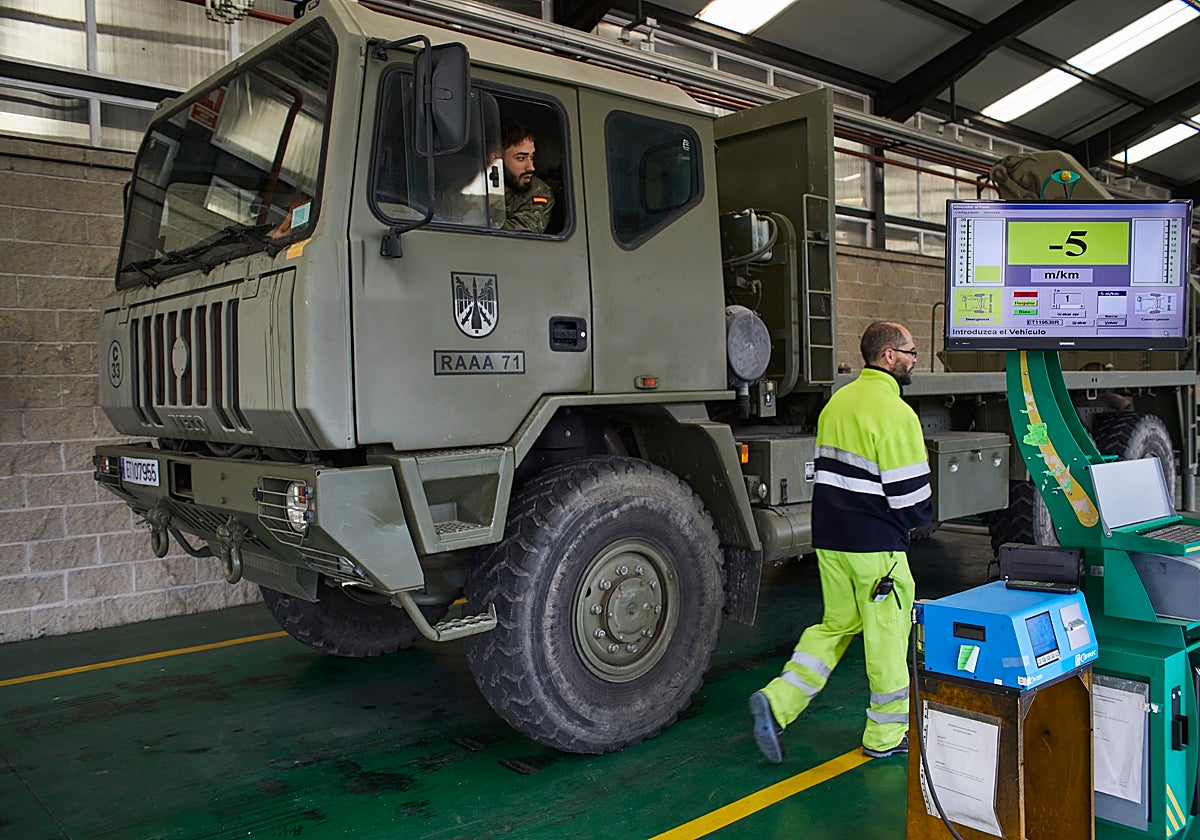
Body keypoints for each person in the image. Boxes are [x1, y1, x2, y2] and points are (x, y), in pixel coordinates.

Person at [749, 321, 932, 764]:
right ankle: (885, 737)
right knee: (887, 635)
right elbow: (910, 495)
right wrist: (919, 521)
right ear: (888, 355)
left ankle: (777, 702)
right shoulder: (896, 412)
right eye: (909, 351)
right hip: (876, 548)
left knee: (836, 625)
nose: (913, 359)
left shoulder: (837, 402)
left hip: (831, 541)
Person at [498, 120, 554, 233]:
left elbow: (521, 234)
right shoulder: (468, 187)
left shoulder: (538, 191)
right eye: (521, 158)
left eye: (531, 157)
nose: (531, 167)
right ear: (496, 159)